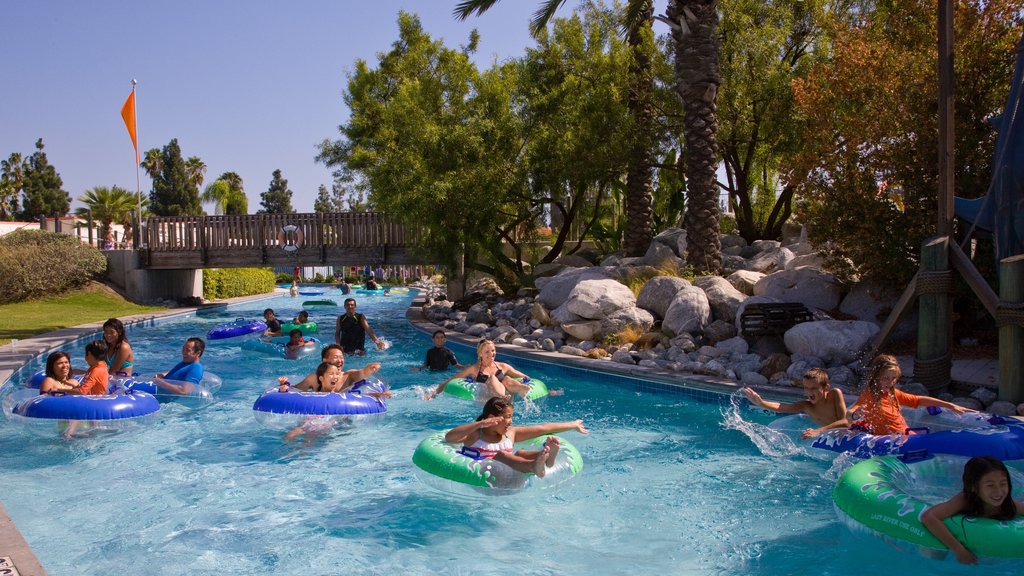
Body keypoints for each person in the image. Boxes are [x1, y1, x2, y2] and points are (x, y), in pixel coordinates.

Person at [444, 396, 588, 479]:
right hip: (486, 477)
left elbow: (543, 428)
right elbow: (450, 437)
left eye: (511, 416)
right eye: (507, 417)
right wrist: (479, 424)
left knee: (520, 453)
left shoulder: (511, 433)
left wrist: (572, 425)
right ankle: (534, 465)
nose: (511, 421)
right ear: (492, 418)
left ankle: (546, 456)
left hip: (510, 474)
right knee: (501, 455)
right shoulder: (477, 434)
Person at [921, 456, 1022, 564]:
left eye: (1003, 484)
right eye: (990, 485)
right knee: (933, 554)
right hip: (950, 535)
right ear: (973, 487)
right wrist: (959, 551)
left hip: (984, 542)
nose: (998, 491)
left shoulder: (1008, 505)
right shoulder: (964, 501)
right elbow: (929, 517)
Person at [847, 354, 974, 436]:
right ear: (876, 377)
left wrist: (950, 405)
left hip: (907, 436)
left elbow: (918, 400)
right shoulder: (869, 395)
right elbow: (850, 412)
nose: (890, 382)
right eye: (885, 378)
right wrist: (855, 415)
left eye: (893, 378)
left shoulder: (893, 394)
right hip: (891, 442)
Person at [742, 368, 848, 439]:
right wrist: (761, 403)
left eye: (813, 388)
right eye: (806, 388)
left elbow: (845, 422)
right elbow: (782, 407)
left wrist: (818, 431)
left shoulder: (834, 394)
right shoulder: (807, 405)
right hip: (832, 438)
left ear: (826, 388)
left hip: (849, 434)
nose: (809, 392)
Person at [426, 339, 531, 400]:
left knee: (507, 378)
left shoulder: (503, 366)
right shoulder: (473, 369)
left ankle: (520, 388)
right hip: (487, 400)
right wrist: (433, 393)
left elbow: (524, 376)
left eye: (493, 350)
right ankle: (502, 396)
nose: (491, 354)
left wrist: (526, 380)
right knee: (492, 378)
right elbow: (451, 380)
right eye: (487, 352)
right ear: (480, 354)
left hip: (506, 396)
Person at [278, 344, 382, 395]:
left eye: (341, 357)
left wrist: (369, 369)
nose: (340, 360)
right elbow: (297, 389)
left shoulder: (348, 376)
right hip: (318, 414)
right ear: (325, 360)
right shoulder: (314, 378)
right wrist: (284, 385)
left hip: (341, 416)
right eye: (336, 357)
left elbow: (361, 373)